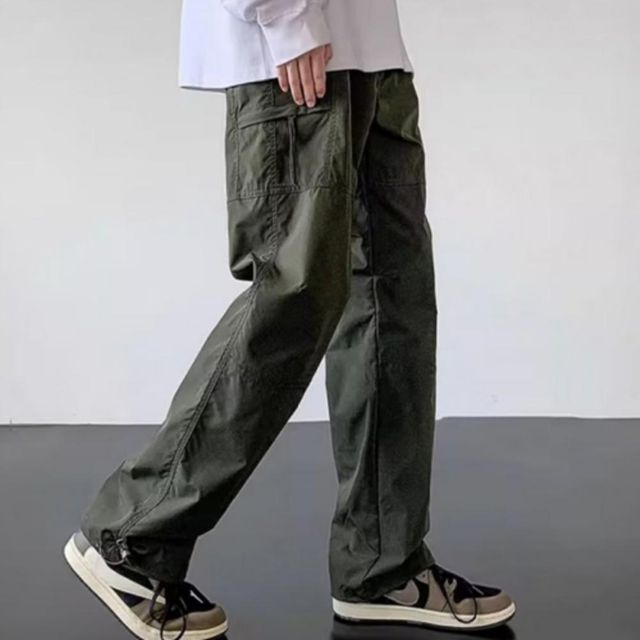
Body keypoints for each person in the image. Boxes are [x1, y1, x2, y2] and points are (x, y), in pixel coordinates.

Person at [63, 1, 516, 638]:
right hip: (298, 52)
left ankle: (381, 566)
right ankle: (131, 536)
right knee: (295, 293)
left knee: (394, 303)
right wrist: (286, 15)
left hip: (371, 50)